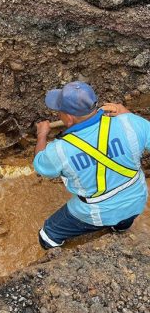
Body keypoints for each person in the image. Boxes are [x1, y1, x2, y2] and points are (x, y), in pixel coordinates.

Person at [34, 81, 150, 249]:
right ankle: (119, 228)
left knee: (48, 234)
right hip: (136, 201)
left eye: (59, 111)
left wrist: (41, 135)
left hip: (97, 212)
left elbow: (40, 165)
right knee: (123, 219)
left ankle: (56, 260)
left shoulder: (59, 150)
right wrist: (128, 115)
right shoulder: (130, 123)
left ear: (68, 118)